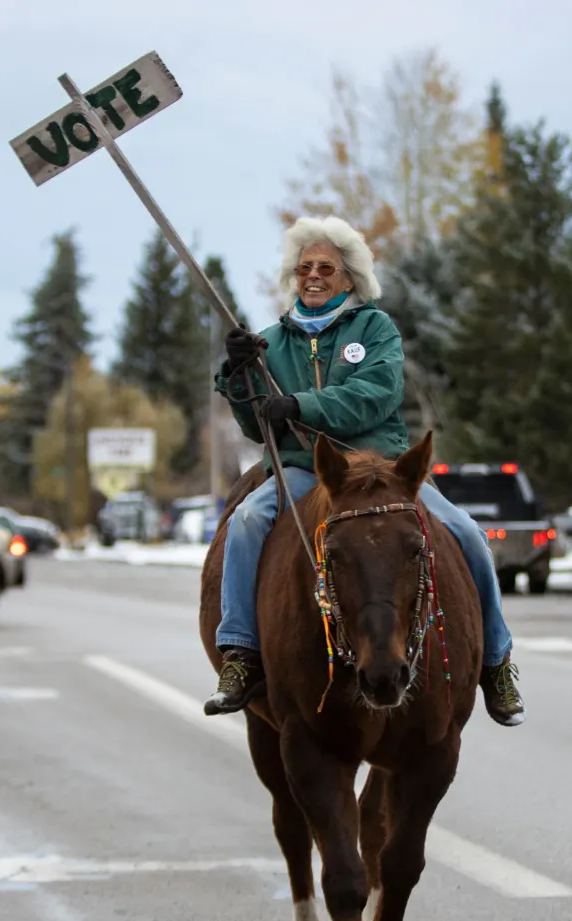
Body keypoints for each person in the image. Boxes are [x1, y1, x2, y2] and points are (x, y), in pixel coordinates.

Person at [205, 215, 525, 727]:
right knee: (244, 524)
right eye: (304, 266)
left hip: (383, 472)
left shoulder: (375, 329)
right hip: (303, 473)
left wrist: (302, 405)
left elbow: (375, 396)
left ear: (349, 277)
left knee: (466, 532)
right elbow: (254, 425)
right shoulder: (271, 341)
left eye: (325, 267)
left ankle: (497, 662)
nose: (313, 275)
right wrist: (238, 376)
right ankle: (240, 654)